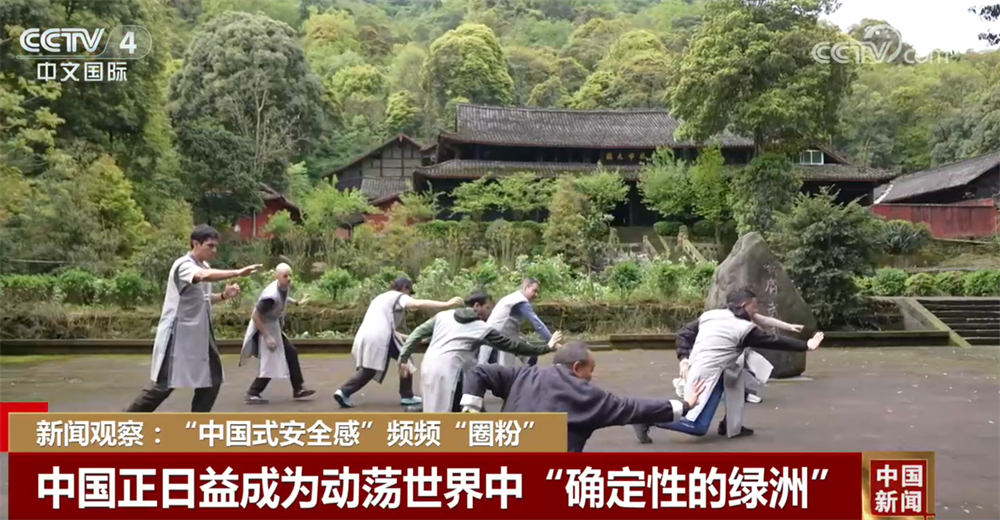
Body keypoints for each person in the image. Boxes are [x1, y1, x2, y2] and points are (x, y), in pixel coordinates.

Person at [633, 287, 824, 443]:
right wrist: (806, 346)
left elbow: (685, 333)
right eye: (754, 307)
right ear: (744, 305)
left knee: (738, 387)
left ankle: (730, 425)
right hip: (707, 373)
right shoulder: (743, 328)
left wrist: (684, 358)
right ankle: (649, 419)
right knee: (696, 426)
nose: (756, 311)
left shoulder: (712, 315)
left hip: (721, 369)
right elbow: (773, 341)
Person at [459, 341, 708, 452]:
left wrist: (470, 411)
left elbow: (479, 372)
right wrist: (685, 405)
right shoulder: (588, 397)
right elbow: (633, 407)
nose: (592, 376)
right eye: (591, 369)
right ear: (577, 367)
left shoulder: (522, 375)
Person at [125, 225, 262, 413]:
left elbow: (203, 298)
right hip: (178, 334)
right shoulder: (184, 265)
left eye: (216, 246)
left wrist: (223, 295)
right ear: (196, 244)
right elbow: (201, 277)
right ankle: (128, 419)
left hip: (200, 333)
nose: (214, 250)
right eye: (210, 245)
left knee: (213, 378)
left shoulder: (204, 266)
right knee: (164, 384)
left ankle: (197, 422)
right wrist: (238, 272)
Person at [398, 291, 564, 413]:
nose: (490, 312)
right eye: (487, 308)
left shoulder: (443, 316)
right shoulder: (481, 328)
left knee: (448, 407)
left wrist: (403, 357)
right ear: (476, 306)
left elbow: (417, 333)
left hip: (429, 367)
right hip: (448, 373)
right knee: (445, 416)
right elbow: (513, 346)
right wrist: (546, 347)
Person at [334, 277, 464, 408]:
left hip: (366, 335)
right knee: (406, 360)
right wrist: (446, 304)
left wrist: (414, 337)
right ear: (404, 288)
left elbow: (391, 332)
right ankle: (407, 396)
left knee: (369, 370)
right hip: (381, 336)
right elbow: (416, 304)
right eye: (409, 292)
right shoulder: (398, 296)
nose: (408, 296)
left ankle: (344, 391)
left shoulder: (380, 298)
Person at [675, 314, 803, 405]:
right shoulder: (721, 317)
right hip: (716, 351)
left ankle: (742, 396)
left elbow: (765, 320)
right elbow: (686, 336)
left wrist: (788, 326)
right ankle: (684, 385)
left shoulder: (746, 313)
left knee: (745, 372)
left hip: (739, 350)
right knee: (719, 375)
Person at [239, 263, 315, 404]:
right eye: (285, 276)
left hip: (273, 326)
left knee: (291, 352)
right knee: (271, 362)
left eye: (290, 275)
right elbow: (256, 316)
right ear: (277, 277)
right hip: (263, 327)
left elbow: (284, 298)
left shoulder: (282, 287)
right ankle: (253, 392)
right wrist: (267, 336)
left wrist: (297, 302)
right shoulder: (270, 296)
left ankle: (298, 388)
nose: (289, 278)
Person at [478, 278, 553, 368]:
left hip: (507, 337)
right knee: (500, 368)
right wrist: (552, 340)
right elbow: (537, 324)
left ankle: (527, 374)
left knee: (530, 357)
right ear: (526, 287)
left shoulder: (513, 298)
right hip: (497, 340)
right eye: (534, 291)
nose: (536, 294)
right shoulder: (521, 302)